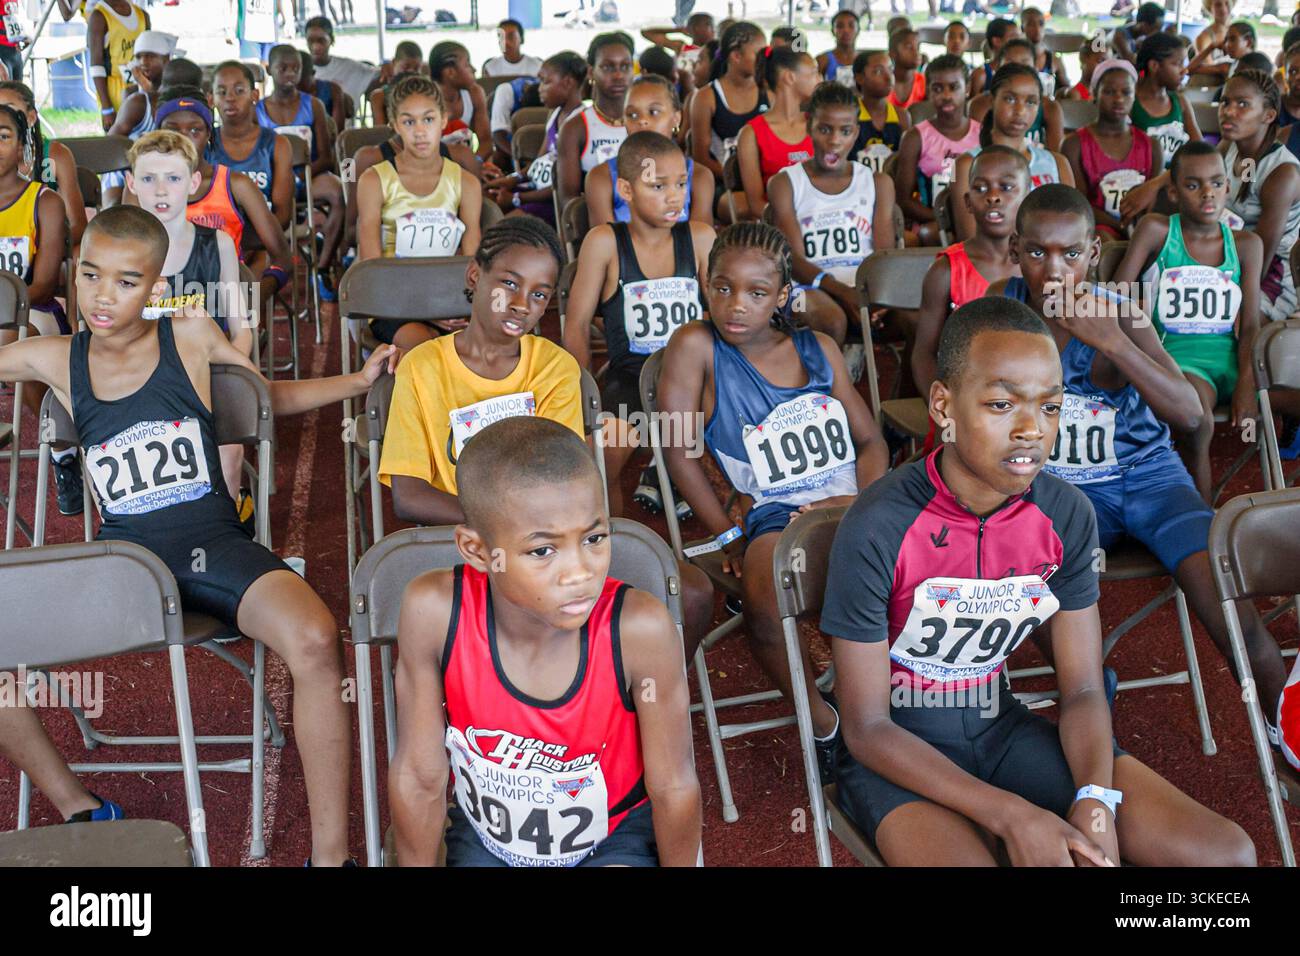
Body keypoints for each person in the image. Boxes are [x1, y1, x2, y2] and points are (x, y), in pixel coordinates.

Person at [0, 204, 401, 866]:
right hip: (123, 567)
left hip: (214, 548)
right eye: (91, 276)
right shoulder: (51, 357)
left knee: (314, 635)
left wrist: (356, 383)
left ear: (156, 288)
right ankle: (78, 806)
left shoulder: (187, 333)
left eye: (126, 282)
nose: (103, 296)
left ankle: (329, 859)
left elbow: (265, 395)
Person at [820, 295, 1256, 867]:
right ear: (944, 405)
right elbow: (868, 727)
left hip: (999, 730)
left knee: (1225, 857)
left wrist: (1095, 800)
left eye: (1051, 408)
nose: (1031, 429)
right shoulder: (878, 525)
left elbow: (1079, 690)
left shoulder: (1066, 515)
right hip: (898, 754)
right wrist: (1013, 815)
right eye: (1002, 404)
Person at [995, 183, 1290, 740]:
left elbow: (1190, 417)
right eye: (1037, 252)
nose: (1055, 269)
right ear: (1016, 250)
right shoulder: (1001, 312)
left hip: (1149, 480)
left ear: (1095, 254)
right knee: (1015, 562)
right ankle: (1083, 684)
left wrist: (1114, 343)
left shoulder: (1120, 315)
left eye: (1071, 253)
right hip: (1059, 491)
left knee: (1223, 591)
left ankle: (1284, 725)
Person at [388, 416, 702, 868]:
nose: (580, 573)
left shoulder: (637, 630)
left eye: (594, 538)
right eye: (543, 550)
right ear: (477, 550)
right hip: (487, 844)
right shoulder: (435, 612)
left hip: (612, 840)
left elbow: (673, 785)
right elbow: (419, 776)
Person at [657, 222, 889, 785]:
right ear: (704, 286)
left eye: (757, 293)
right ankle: (821, 718)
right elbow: (678, 451)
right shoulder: (697, 347)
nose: (736, 306)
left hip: (850, 503)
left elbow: (871, 442)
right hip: (772, 514)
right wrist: (727, 534)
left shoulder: (820, 349)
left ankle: (896, 703)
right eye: (722, 287)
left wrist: (861, 500)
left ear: (783, 295)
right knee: (768, 589)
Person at [377, 218, 580, 528]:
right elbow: (409, 497)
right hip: (457, 536)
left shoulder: (555, 368)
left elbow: (561, 481)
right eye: (510, 283)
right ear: (474, 275)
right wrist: (505, 524)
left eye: (539, 295)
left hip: (537, 543)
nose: (522, 305)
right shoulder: (422, 367)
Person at [564, 130, 716, 516]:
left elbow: (721, 315)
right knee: (604, 452)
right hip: (631, 377)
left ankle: (731, 523)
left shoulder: (700, 238)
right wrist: (581, 394)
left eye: (681, 183)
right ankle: (610, 532)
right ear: (626, 190)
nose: (674, 196)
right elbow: (578, 323)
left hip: (699, 377)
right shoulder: (604, 242)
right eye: (658, 185)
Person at [1113, 141, 1261, 503]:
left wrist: (1247, 382)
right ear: (1175, 193)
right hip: (1172, 359)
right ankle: (1190, 509)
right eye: (1193, 185)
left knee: (1207, 411)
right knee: (1188, 415)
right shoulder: (1157, 231)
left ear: (1228, 186)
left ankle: (1208, 510)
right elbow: (1116, 296)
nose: (1207, 193)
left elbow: (1253, 323)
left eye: (1216, 182)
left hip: (1225, 362)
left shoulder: (1246, 244)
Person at [128, 129, 253, 511]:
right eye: (149, 179)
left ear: (194, 182)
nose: (161, 191)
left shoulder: (216, 244)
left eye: (173, 178)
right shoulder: (117, 250)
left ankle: (226, 524)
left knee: (229, 445)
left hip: (208, 374)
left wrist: (229, 369)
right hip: (140, 380)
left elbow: (242, 328)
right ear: (131, 183)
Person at [1125, 70, 1300, 321]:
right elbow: (1194, 169)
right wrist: (1153, 185)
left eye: (1243, 104)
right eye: (1225, 102)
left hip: (1266, 277)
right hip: (1220, 250)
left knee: (1198, 316)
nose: (1228, 111)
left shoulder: (1282, 174)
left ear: (1268, 115)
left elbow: (1259, 264)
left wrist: (1198, 287)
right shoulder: (1230, 146)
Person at [136, 91, 293, 325]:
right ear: (157, 134)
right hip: (157, 304)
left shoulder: (235, 185)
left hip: (220, 302)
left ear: (210, 135)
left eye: (195, 130)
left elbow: (283, 258)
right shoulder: (139, 188)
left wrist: (255, 296)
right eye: (172, 129)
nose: (184, 139)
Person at [356, 74, 482, 351]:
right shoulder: (373, 181)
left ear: (444, 120)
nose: (420, 131)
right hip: (392, 304)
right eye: (408, 121)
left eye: (428, 119)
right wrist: (429, 311)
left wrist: (454, 305)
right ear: (394, 125)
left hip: (451, 302)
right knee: (427, 351)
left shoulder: (467, 183)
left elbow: (472, 263)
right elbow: (373, 268)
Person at [769, 81, 895, 347]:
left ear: (856, 132)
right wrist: (843, 293)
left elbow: (885, 257)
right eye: (825, 129)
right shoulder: (785, 183)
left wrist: (875, 296)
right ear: (809, 126)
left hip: (863, 287)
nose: (835, 140)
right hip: (806, 288)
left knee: (917, 315)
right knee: (831, 320)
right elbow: (794, 261)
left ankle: (899, 387)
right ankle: (825, 387)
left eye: (845, 131)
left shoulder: (877, 182)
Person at [912, 145, 1029, 400]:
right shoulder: (945, 270)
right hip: (966, 400)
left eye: (1007, 187)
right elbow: (923, 355)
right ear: (967, 202)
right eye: (981, 188)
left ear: (1027, 197)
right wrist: (948, 409)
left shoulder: (1037, 265)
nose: (993, 197)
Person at [952, 63, 1072, 241]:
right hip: (991, 264)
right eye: (1010, 99)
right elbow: (969, 237)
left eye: (1031, 102)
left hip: (1049, 263)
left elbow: (1072, 227)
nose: (1020, 110)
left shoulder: (1058, 162)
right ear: (992, 100)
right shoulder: (963, 165)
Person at [256, 46, 346, 276]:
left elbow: (327, 157)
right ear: (269, 70)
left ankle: (323, 265)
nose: (290, 74)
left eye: (295, 68)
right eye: (283, 68)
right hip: (273, 183)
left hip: (309, 176)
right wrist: (282, 178)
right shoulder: (257, 111)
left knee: (339, 194)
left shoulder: (313, 105)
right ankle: (272, 264)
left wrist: (299, 176)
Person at [584, 76, 714, 227]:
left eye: (653, 112)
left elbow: (701, 246)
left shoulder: (699, 176)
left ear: (676, 118)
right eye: (632, 115)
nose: (642, 120)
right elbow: (607, 247)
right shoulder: (601, 177)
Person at [1061, 59, 1159, 240]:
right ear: (1093, 94)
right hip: (1096, 226)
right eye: (1109, 92)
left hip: (1143, 229)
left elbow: (1155, 200)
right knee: (1103, 239)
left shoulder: (1151, 146)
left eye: (1126, 92)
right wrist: (1121, 226)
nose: (1119, 99)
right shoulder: (1074, 145)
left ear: (1134, 95)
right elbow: (1080, 204)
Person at [483, 51, 586, 225]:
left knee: (497, 228)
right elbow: (538, 163)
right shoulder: (555, 115)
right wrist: (511, 179)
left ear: (568, 83)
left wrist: (517, 198)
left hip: (551, 202)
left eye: (545, 82)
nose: (539, 89)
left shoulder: (581, 124)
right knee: (486, 196)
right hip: (535, 190)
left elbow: (562, 187)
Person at [895, 54, 982, 245]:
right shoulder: (915, 137)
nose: (946, 95)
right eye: (938, 88)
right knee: (930, 233)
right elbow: (903, 199)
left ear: (967, 89)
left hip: (976, 220)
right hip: (932, 221)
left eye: (953, 87)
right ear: (928, 91)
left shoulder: (982, 135)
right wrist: (943, 219)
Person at [689, 21, 768, 224]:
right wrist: (747, 180)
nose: (764, 60)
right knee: (750, 210)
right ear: (736, 56)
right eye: (758, 54)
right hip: (722, 184)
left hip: (763, 181)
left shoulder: (768, 93)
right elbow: (701, 158)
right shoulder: (706, 97)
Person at [735, 46, 817, 221]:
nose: (820, 79)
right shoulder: (751, 134)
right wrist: (795, 222)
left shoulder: (819, 124)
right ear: (789, 77)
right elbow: (756, 204)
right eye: (813, 73)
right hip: (778, 226)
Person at [0, 82, 86, 249]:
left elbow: (78, 225)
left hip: (48, 248)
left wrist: (41, 250)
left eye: (9, 109)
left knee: (76, 256)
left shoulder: (53, 156)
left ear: (31, 117)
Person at [210, 61, 294, 230]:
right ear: (211, 99)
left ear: (255, 95)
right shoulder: (206, 144)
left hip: (263, 241)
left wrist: (248, 245)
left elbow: (283, 216)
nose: (230, 98)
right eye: (222, 91)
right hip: (216, 242)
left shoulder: (277, 144)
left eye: (239, 91)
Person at [556, 32, 633, 208]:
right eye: (608, 67)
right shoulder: (575, 129)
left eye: (625, 66)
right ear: (591, 72)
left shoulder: (647, 121)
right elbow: (569, 202)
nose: (618, 75)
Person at [968, 39, 1064, 152]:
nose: (1017, 69)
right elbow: (974, 148)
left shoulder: (1050, 107)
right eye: (1010, 64)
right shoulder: (980, 104)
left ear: (1035, 68)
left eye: (1025, 64)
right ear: (998, 67)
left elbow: (1054, 155)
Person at [1130, 32, 1201, 168]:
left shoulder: (1180, 102)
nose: (1184, 71)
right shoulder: (1131, 104)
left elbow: (1198, 146)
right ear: (1154, 66)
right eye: (1177, 64)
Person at [87, 0, 149, 130]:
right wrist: (106, 108)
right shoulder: (99, 16)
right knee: (120, 139)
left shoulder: (142, 15)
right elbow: (96, 65)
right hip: (114, 89)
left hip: (141, 85)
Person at [429, 41, 492, 164]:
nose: (474, 69)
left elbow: (486, 142)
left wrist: (474, 163)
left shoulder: (475, 93)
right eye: (467, 64)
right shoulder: (425, 99)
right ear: (450, 73)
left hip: (467, 164)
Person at [853, 49, 911, 174]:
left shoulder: (901, 116)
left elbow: (906, 163)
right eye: (878, 71)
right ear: (860, 78)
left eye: (890, 69)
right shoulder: (850, 115)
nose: (888, 77)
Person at [305, 15, 377, 110]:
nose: (315, 46)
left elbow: (380, 74)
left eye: (321, 41)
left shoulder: (349, 67)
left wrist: (387, 67)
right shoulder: (300, 70)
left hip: (344, 124)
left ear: (332, 40)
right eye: (311, 41)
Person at [1020, 6, 1069, 97]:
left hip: (1047, 108)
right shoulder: (1015, 57)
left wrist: (1087, 95)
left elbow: (1069, 87)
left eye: (1041, 24)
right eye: (1031, 24)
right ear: (1022, 27)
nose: (1037, 28)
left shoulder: (1054, 59)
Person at [969, 17, 1019, 97]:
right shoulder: (981, 75)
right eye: (1013, 37)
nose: (1019, 42)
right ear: (997, 41)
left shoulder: (1021, 71)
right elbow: (972, 107)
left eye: (1019, 37)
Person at [301, 50, 348, 133]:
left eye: (302, 77)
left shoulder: (333, 90)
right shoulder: (285, 94)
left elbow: (337, 131)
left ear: (313, 73)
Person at [818, 10, 862, 88]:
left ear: (858, 30)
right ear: (832, 31)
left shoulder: (866, 61)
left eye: (851, 26)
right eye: (840, 26)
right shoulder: (823, 60)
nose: (846, 31)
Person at [888, 28, 927, 110]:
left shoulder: (924, 83)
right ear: (893, 53)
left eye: (918, 47)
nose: (916, 52)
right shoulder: (884, 83)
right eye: (909, 47)